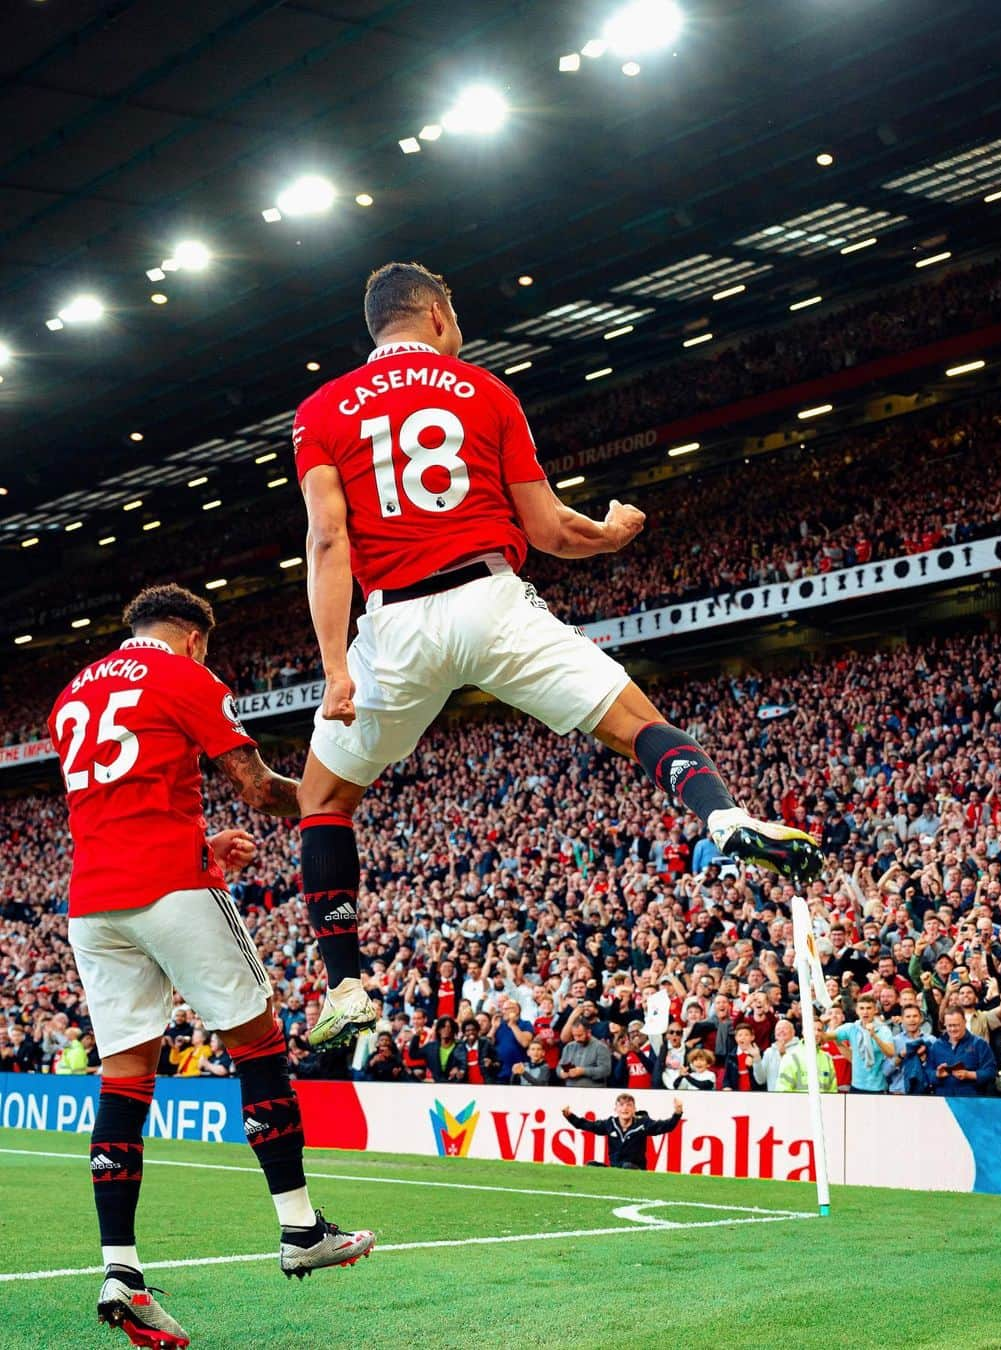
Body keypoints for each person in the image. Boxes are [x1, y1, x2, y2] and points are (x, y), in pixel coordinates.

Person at [290, 261, 824, 1050]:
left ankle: (346, 984)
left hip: (394, 623)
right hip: (491, 597)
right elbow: (549, 529)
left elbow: (329, 540)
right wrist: (608, 532)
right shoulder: (485, 391)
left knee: (325, 802)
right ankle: (723, 815)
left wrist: (336, 666)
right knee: (636, 724)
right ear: (437, 316)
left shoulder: (321, 410)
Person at [47, 584, 374, 1348]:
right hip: (172, 890)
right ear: (194, 639)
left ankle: (120, 1270)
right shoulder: (185, 676)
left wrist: (197, 843)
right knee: (256, 1040)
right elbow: (259, 789)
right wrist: (331, 804)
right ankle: (299, 1228)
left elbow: (124, 804)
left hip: (94, 905)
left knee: (124, 1079)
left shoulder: (70, 693)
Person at [561, 1094, 683, 1168]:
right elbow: (587, 1125)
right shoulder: (610, 1124)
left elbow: (665, 1126)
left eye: (629, 1105)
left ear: (634, 1109)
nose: (625, 1108)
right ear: (616, 1109)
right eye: (622, 1105)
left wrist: (677, 1113)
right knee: (590, 1165)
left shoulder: (643, 1124)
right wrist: (569, 1116)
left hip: (636, 1169)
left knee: (627, 1166)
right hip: (615, 1169)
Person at [819, 996, 896, 1094]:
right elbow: (825, 1038)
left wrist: (874, 1036)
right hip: (856, 1086)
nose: (865, 1012)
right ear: (857, 1011)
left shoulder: (883, 1030)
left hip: (878, 1087)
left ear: (875, 1010)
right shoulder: (851, 1028)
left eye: (869, 1008)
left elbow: (891, 1053)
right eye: (862, 1008)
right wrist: (822, 1024)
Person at [926, 1010, 997, 1097]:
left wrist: (969, 1075)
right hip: (944, 1102)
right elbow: (927, 1073)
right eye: (949, 1026)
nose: (953, 1029)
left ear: (965, 1022)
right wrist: (937, 1075)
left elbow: (991, 1072)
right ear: (945, 1025)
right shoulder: (936, 1046)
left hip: (972, 1101)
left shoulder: (979, 1044)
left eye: (956, 1025)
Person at [777, 1021, 838, 1094]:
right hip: (797, 1105)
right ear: (803, 1032)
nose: (816, 1033)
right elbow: (783, 1091)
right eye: (812, 1029)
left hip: (824, 1105)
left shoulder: (827, 1058)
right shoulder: (790, 1057)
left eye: (819, 1030)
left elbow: (833, 1091)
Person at [557, 1018, 612, 1088]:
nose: (577, 1039)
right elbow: (559, 1067)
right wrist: (561, 1072)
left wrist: (583, 1071)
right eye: (574, 1036)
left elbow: (605, 1071)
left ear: (588, 1032)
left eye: (580, 1035)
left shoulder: (601, 1047)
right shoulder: (569, 1047)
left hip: (593, 1091)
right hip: (571, 1089)